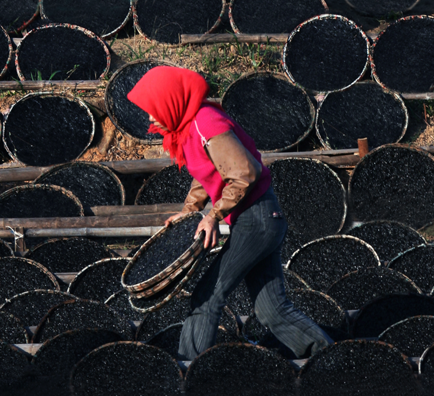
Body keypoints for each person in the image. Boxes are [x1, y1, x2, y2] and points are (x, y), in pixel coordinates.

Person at [127, 65, 332, 360]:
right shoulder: (192, 126)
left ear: (170, 100)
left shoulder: (206, 122)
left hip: (256, 220)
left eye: (152, 109)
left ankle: (188, 368)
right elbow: (207, 173)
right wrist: (189, 213)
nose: (149, 118)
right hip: (261, 219)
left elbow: (245, 173)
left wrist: (213, 215)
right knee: (272, 310)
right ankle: (328, 357)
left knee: (207, 297)